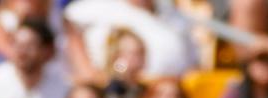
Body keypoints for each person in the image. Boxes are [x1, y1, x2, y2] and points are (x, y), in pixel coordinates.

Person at [63, 0, 197, 78]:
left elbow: (193, 60)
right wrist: (89, 74)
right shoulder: (102, 4)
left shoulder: (173, 14)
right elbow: (71, 24)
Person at [100, 28, 147, 98]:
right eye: (134, 53)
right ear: (115, 56)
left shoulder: (146, 90)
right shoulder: (106, 89)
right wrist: (119, 76)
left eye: (142, 52)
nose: (140, 59)